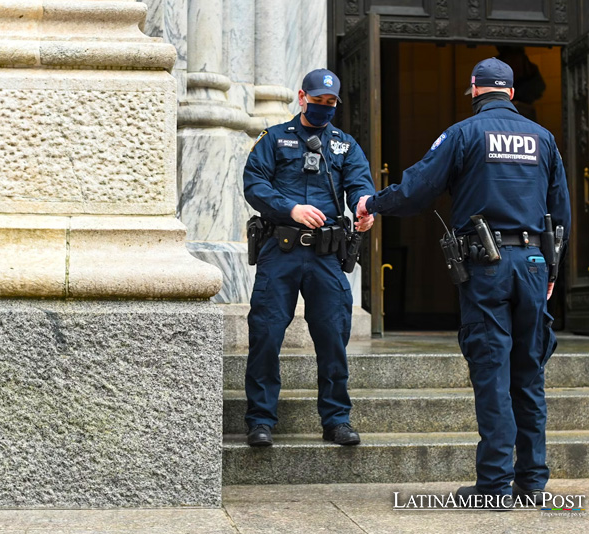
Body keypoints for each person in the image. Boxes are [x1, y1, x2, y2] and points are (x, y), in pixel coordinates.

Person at [356, 58, 571, 505]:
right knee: (529, 372)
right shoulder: (543, 139)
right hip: (533, 262)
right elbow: (560, 214)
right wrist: (550, 270)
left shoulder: (463, 134)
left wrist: (373, 204)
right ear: (511, 93)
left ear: (474, 90)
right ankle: (532, 479)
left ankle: (494, 484)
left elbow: (417, 191)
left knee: (492, 370)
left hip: (487, 266)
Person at [242, 68, 376, 447]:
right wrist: (291, 209)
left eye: (330, 103)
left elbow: (360, 185)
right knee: (266, 334)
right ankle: (261, 420)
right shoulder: (274, 139)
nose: (323, 108)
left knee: (333, 337)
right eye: (318, 101)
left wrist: (365, 210)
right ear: (302, 97)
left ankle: (336, 420)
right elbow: (254, 184)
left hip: (326, 255)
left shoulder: (345, 146)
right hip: (280, 251)